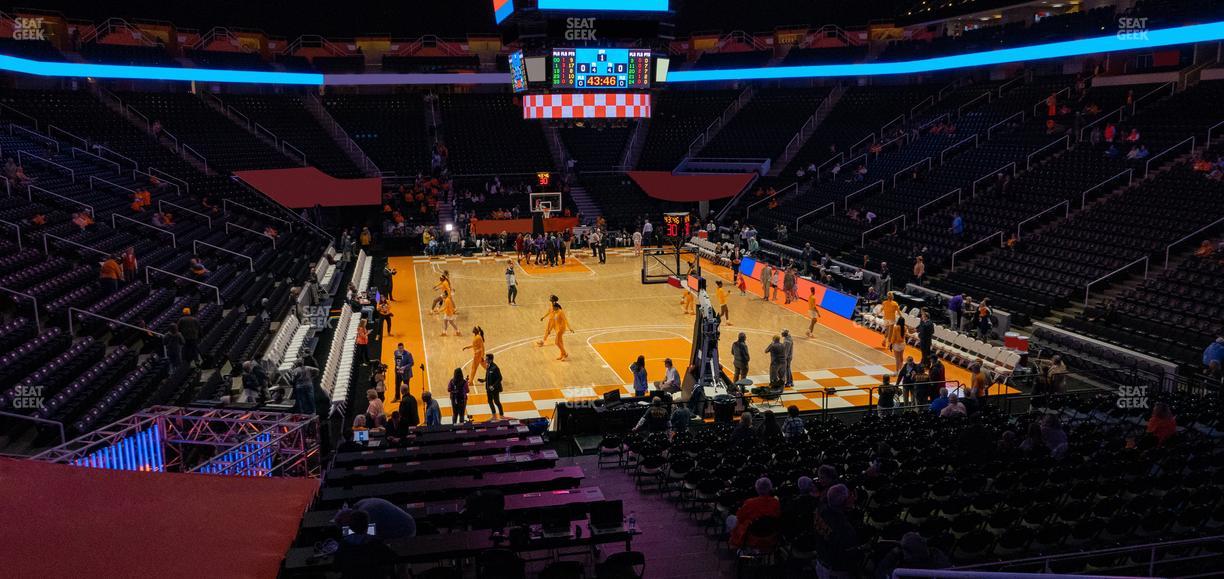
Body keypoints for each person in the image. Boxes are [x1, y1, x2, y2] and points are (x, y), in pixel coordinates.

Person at [333, 509, 396, 579]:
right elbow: (393, 557)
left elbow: (336, 567)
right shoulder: (375, 542)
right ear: (367, 526)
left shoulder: (344, 543)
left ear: (350, 527)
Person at [812, 484, 858, 574]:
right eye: (849, 495)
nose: (852, 497)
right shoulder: (845, 529)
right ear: (845, 502)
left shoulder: (820, 508)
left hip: (821, 557)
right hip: (833, 569)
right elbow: (848, 557)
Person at [728, 477, 782, 550]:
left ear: (757, 489)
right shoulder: (776, 502)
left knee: (731, 519)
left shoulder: (750, 502)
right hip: (770, 536)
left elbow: (740, 518)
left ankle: (739, 548)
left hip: (752, 536)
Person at [336, 497, 417, 541]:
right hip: (403, 523)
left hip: (404, 530)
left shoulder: (367, 512)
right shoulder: (360, 505)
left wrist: (347, 536)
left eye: (346, 525)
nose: (348, 527)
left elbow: (368, 537)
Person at [875, 532, 951, 578]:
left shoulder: (905, 572)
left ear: (908, 555)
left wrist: (893, 554)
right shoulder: (937, 559)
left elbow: (880, 573)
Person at [480, 353, 504, 420]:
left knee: (497, 402)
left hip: (494, 389)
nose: (485, 360)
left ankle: (501, 415)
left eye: (487, 359)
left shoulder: (495, 368)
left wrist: (493, 386)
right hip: (488, 389)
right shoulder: (488, 366)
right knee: (490, 401)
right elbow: (488, 376)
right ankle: (494, 416)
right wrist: (483, 380)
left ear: (490, 360)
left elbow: (500, 378)